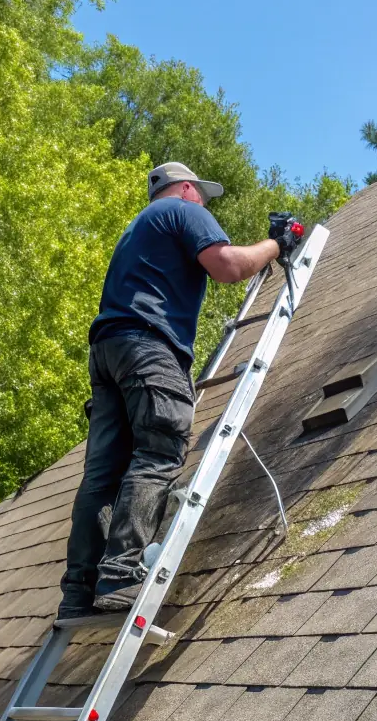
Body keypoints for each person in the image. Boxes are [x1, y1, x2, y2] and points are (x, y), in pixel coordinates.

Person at [59, 161, 290, 618]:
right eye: (201, 194)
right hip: (148, 347)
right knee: (158, 452)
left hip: (109, 352)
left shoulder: (136, 230)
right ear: (185, 188)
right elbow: (227, 266)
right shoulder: (183, 211)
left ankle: (78, 592)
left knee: (102, 476)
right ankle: (120, 574)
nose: (205, 204)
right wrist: (277, 244)